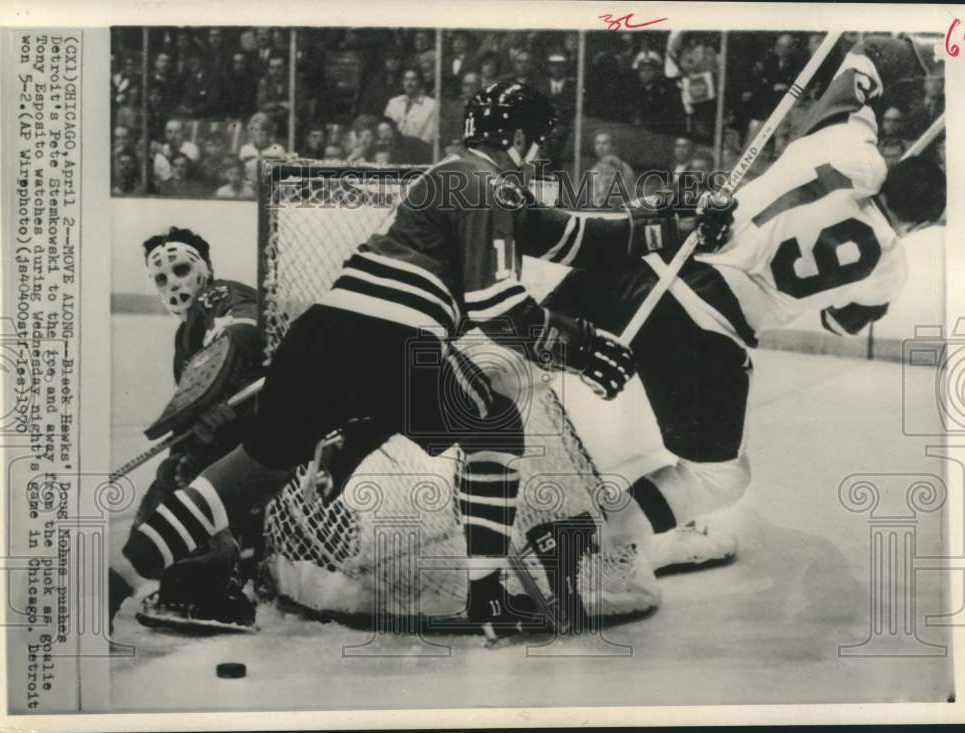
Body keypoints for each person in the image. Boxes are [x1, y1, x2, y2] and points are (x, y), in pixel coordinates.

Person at [110, 83, 729, 642]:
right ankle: (487, 601)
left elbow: (584, 239)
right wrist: (581, 345)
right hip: (391, 342)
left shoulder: (464, 179)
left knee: (250, 473)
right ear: (515, 139)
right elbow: (498, 307)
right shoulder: (480, 184)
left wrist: (681, 224)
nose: (541, 156)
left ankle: (111, 583)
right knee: (495, 429)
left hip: (320, 337)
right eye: (537, 143)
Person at [543, 35, 947, 574]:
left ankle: (454, 440)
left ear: (895, 168)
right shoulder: (890, 269)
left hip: (650, 260)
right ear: (919, 225)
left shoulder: (848, 144)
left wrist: (925, 59)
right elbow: (840, 321)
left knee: (524, 348)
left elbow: (866, 58)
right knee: (718, 476)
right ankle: (578, 545)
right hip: (704, 328)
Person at [129, 227, 265, 629]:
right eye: (161, 278)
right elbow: (194, 405)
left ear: (205, 268)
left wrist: (222, 400)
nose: (174, 283)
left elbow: (246, 331)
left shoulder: (219, 295)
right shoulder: (185, 337)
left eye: (182, 268)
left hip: (263, 433)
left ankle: (219, 588)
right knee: (167, 484)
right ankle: (228, 559)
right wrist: (190, 443)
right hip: (240, 437)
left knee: (194, 490)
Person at [383, 68, 438, 144]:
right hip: (392, 147)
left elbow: (428, 136)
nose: (409, 83)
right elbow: (384, 129)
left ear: (420, 82)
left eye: (413, 79)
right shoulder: (393, 103)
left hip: (418, 150)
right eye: (406, 79)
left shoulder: (431, 105)